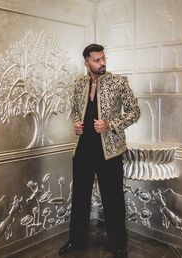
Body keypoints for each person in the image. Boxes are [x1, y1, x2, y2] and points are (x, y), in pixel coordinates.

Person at [58, 44, 140, 258]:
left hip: (110, 151)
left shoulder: (118, 81)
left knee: (113, 199)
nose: (102, 62)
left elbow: (135, 112)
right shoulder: (78, 83)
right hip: (83, 148)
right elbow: (76, 110)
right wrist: (76, 123)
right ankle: (76, 241)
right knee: (80, 198)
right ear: (87, 62)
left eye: (103, 58)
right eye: (97, 60)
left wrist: (110, 124)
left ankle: (119, 246)